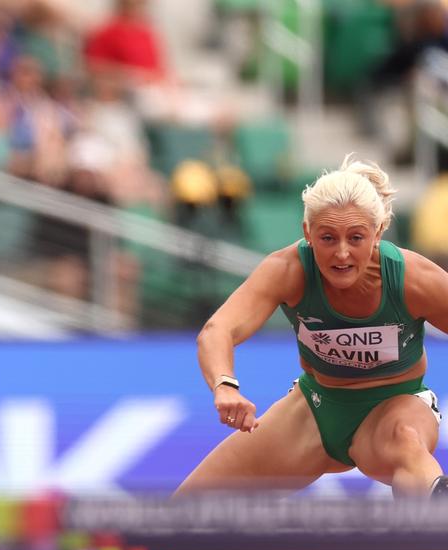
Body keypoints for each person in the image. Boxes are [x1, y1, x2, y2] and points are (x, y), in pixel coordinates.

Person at [176, 155, 448, 497]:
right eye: (328, 238)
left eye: (356, 238)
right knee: (184, 512)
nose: (342, 254)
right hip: (315, 410)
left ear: (378, 233)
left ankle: (434, 512)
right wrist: (224, 386)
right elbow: (218, 330)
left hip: (395, 405)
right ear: (308, 232)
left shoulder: (414, 279)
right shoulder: (287, 270)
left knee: (405, 444)